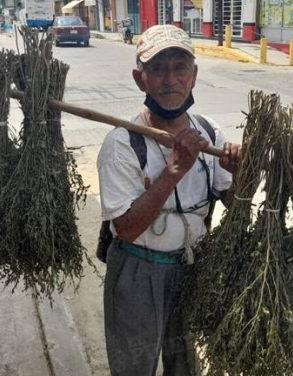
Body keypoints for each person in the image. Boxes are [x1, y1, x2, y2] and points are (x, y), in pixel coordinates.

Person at [97, 24, 240, 375]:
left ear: (193, 76)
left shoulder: (209, 133)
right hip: (137, 270)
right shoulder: (121, 144)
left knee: (185, 365)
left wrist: (242, 174)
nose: (169, 79)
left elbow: (233, 201)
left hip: (193, 269)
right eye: (157, 69)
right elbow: (126, 229)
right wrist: (174, 170)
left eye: (179, 68)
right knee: (135, 366)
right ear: (139, 79)